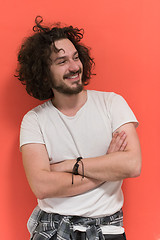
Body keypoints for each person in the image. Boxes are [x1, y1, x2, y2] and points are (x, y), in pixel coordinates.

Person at [16, 16, 141, 240]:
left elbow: (131, 165)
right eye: (62, 61)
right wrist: (106, 168)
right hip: (52, 230)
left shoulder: (112, 103)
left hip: (108, 230)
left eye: (76, 57)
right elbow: (42, 185)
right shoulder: (34, 120)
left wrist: (67, 166)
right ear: (44, 73)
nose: (74, 67)